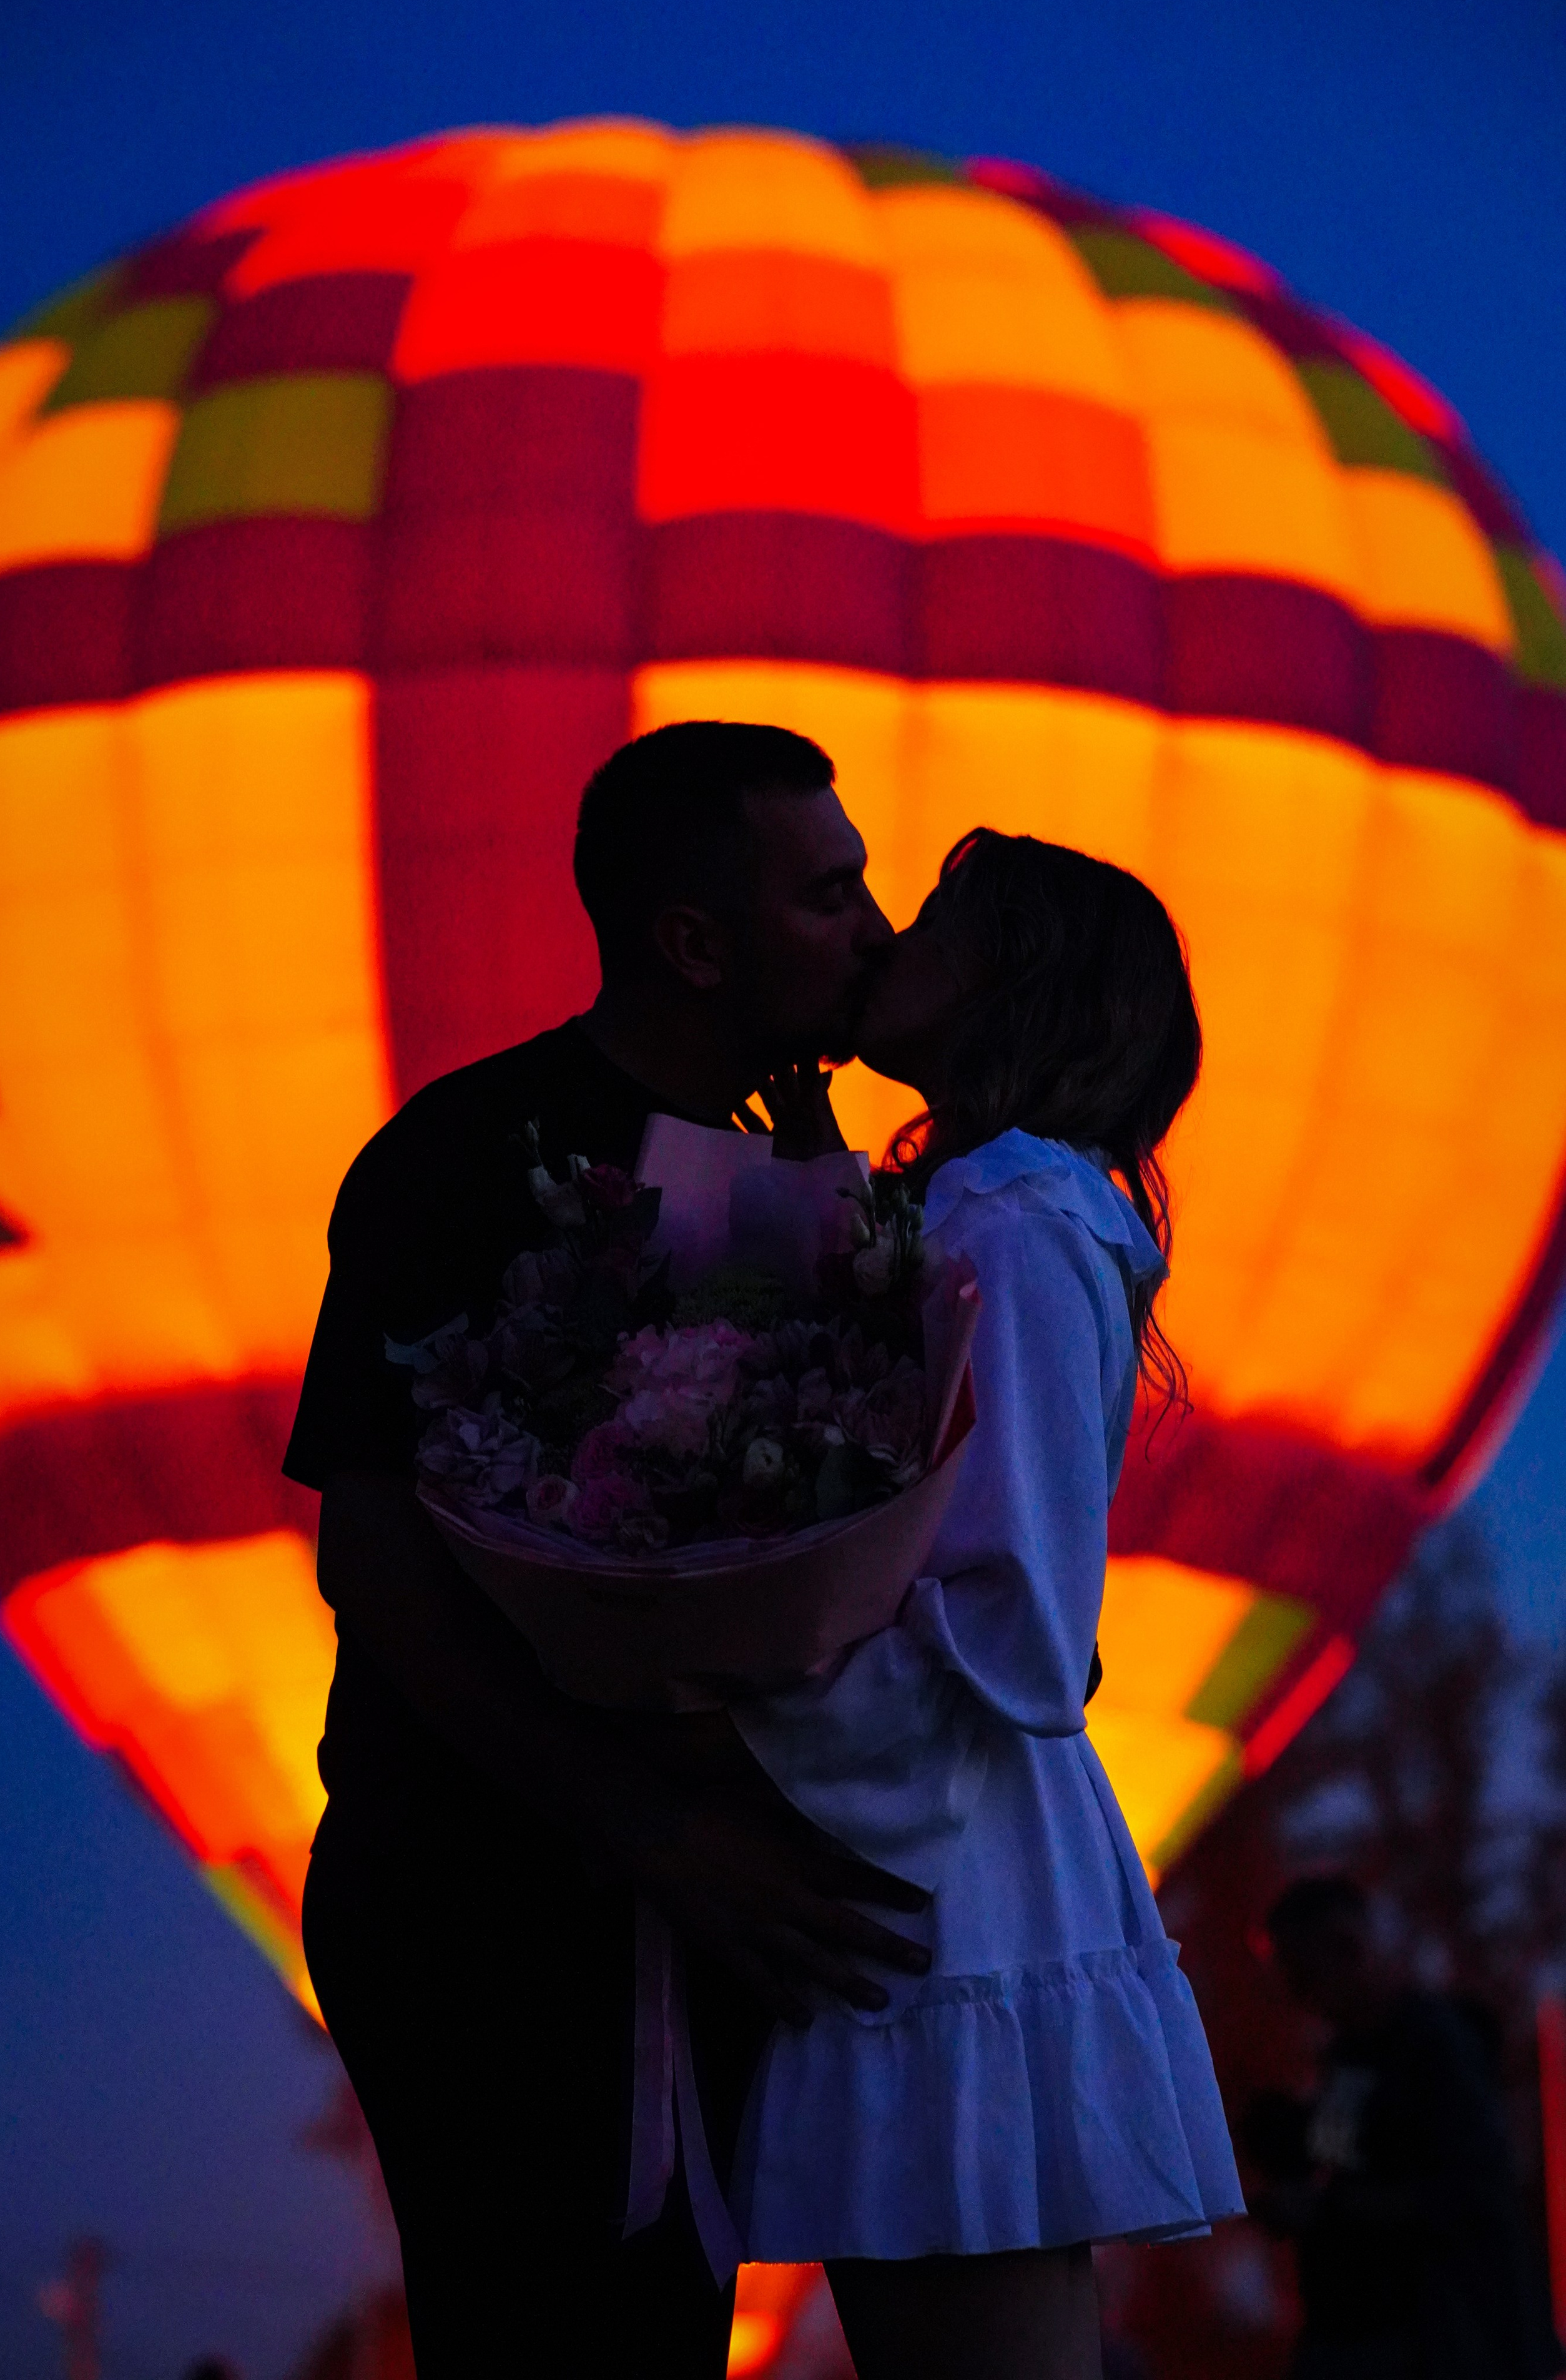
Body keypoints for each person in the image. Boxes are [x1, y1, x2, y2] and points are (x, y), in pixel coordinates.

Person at [285, 721, 934, 2379]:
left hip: (706, 1910)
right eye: (829, 895)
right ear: (696, 944)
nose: (875, 934)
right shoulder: (463, 1156)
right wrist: (644, 1821)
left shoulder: (823, 1191)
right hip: (485, 1904)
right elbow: (372, 1545)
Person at [720, 829, 1246, 2379]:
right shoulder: (964, 1202)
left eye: (936, 913)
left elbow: (1011, 1614)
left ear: (1015, 977)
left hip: (940, 1879)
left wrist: (736, 1731)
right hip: (920, 1866)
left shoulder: (1012, 1223)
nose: (886, 934)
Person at [1249, 1874, 1562, 2380]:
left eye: (1302, 1975)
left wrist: (1327, 2207)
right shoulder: (1354, 2055)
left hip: (1442, 2341)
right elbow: (1340, 2157)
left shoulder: (1436, 2049)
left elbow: (1469, 2193)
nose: (1295, 1996)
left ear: (1347, 1949)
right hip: (1388, 2339)